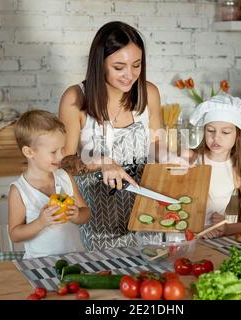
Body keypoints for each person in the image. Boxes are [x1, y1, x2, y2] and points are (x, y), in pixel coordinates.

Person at [58, 21, 163, 250]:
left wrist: (177, 154)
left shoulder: (149, 93)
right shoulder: (76, 99)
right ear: (100, 64)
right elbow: (64, 163)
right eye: (119, 67)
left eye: (136, 65)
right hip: (99, 225)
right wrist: (101, 162)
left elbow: (157, 148)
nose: (130, 75)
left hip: (147, 219)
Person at [8, 110, 90, 259]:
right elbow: (15, 234)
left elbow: (85, 213)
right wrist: (41, 222)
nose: (61, 156)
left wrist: (77, 215)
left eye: (62, 149)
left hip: (75, 258)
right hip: (39, 263)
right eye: (53, 151)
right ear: (29, 152)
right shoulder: (19, 190)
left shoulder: (65, 177)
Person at [183, 94, 241, 238]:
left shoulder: (237, 170)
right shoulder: (189, 158)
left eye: (225, 132)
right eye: (210, 130)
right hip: (180, 237)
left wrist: (227, 228)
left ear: (237, 135)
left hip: (211, 241)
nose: (216, 138)